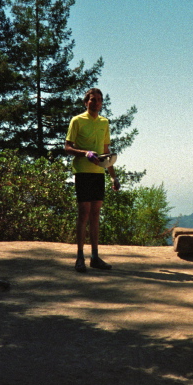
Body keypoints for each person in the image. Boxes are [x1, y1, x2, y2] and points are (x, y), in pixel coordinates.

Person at [64, 88, 121, 273]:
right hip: (82, 172)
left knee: (96, 215)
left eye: (98, 99)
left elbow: (106, 151)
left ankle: (95, 257)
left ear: (102, 103)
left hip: (98, 173)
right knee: (84, 214)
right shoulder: (77, 120)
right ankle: (79, 257)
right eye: (92, 99)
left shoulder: (104, 122)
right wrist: (85, 153)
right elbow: (67, 147)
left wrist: (114, 177)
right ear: (85, 102)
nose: (95, 102)